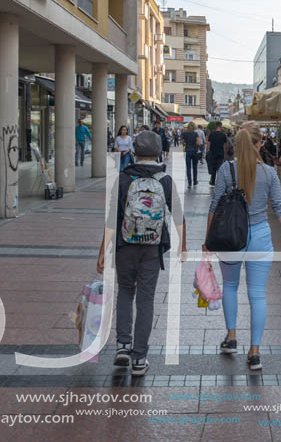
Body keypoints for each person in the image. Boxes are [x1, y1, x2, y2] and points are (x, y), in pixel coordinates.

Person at [205, 121, 281, 371]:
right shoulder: (269, 173)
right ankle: (255, 352)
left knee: (230, 286)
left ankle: (231, 337)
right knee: (257, 294)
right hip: (259, 235)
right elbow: (280, 208)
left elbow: (215, 205)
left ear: (236, 145)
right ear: (259, 144)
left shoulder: (227, 170)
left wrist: (207, 239)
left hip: (231, 237)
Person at [97, 130, 186, 376]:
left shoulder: (123, 178)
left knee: (125, 292)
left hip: (125, 246)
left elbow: (112, 217)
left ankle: (123, 346)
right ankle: (139, 358)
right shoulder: (165, 180)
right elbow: (177, 213)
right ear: (158, 152)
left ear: (135, 151)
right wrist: (183, 244)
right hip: (152, 248)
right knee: (146, 299)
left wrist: (102, 251)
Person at [181, 122, 201, 189]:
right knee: (195, 168)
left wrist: (186, 145)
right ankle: (195, 181)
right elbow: (198, 143)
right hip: (195, 152)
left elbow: (183, 142)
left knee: (188, 168)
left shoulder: (184, 133)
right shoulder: (195, 134)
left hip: (188, 152)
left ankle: (189, 183)